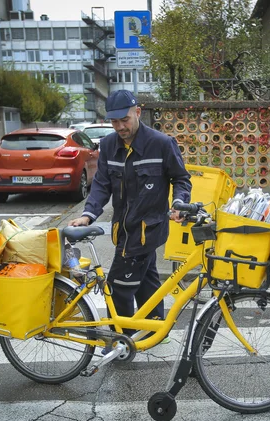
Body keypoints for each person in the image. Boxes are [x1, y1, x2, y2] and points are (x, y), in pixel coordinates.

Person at [68, 90, 192, 345]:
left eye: (124, 119)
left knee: (117, 287)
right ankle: (157, 329)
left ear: (137, 112)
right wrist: (88, 215)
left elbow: (180, 179)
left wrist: (180, 203)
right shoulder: (109, 145)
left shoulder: (161, 143)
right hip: (122, 229)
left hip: (148, 229)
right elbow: (101, 183)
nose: (120, 126)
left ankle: (120, 340)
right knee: (146, 279)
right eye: (114, 122)